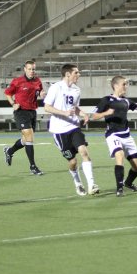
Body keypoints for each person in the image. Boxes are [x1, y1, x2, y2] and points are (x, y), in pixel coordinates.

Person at [44, 64, 99, 196]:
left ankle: (91, 184)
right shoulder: (55, 88)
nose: (78, 75)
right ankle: (78, 183)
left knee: (84, 152)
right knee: (73, 162)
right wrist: (64, 113)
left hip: (74, 127)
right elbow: (47, 107)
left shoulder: (76, 90)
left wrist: (84, 114)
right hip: (59, 131)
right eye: (76, 73)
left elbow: (75, 108)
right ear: (68, 74)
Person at [3, 60, 46, 175]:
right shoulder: (18, 81)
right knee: (29, 138)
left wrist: (41, 93)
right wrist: (13, 103)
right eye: (30, 69)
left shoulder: (37, 80)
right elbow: (7, 93)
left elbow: (39, 91)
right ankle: (33, 166)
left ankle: (9, 151)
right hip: (21, 112)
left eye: (33, 69)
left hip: (32, 112)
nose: (32, 71)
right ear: (25, 69)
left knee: (26, 140)